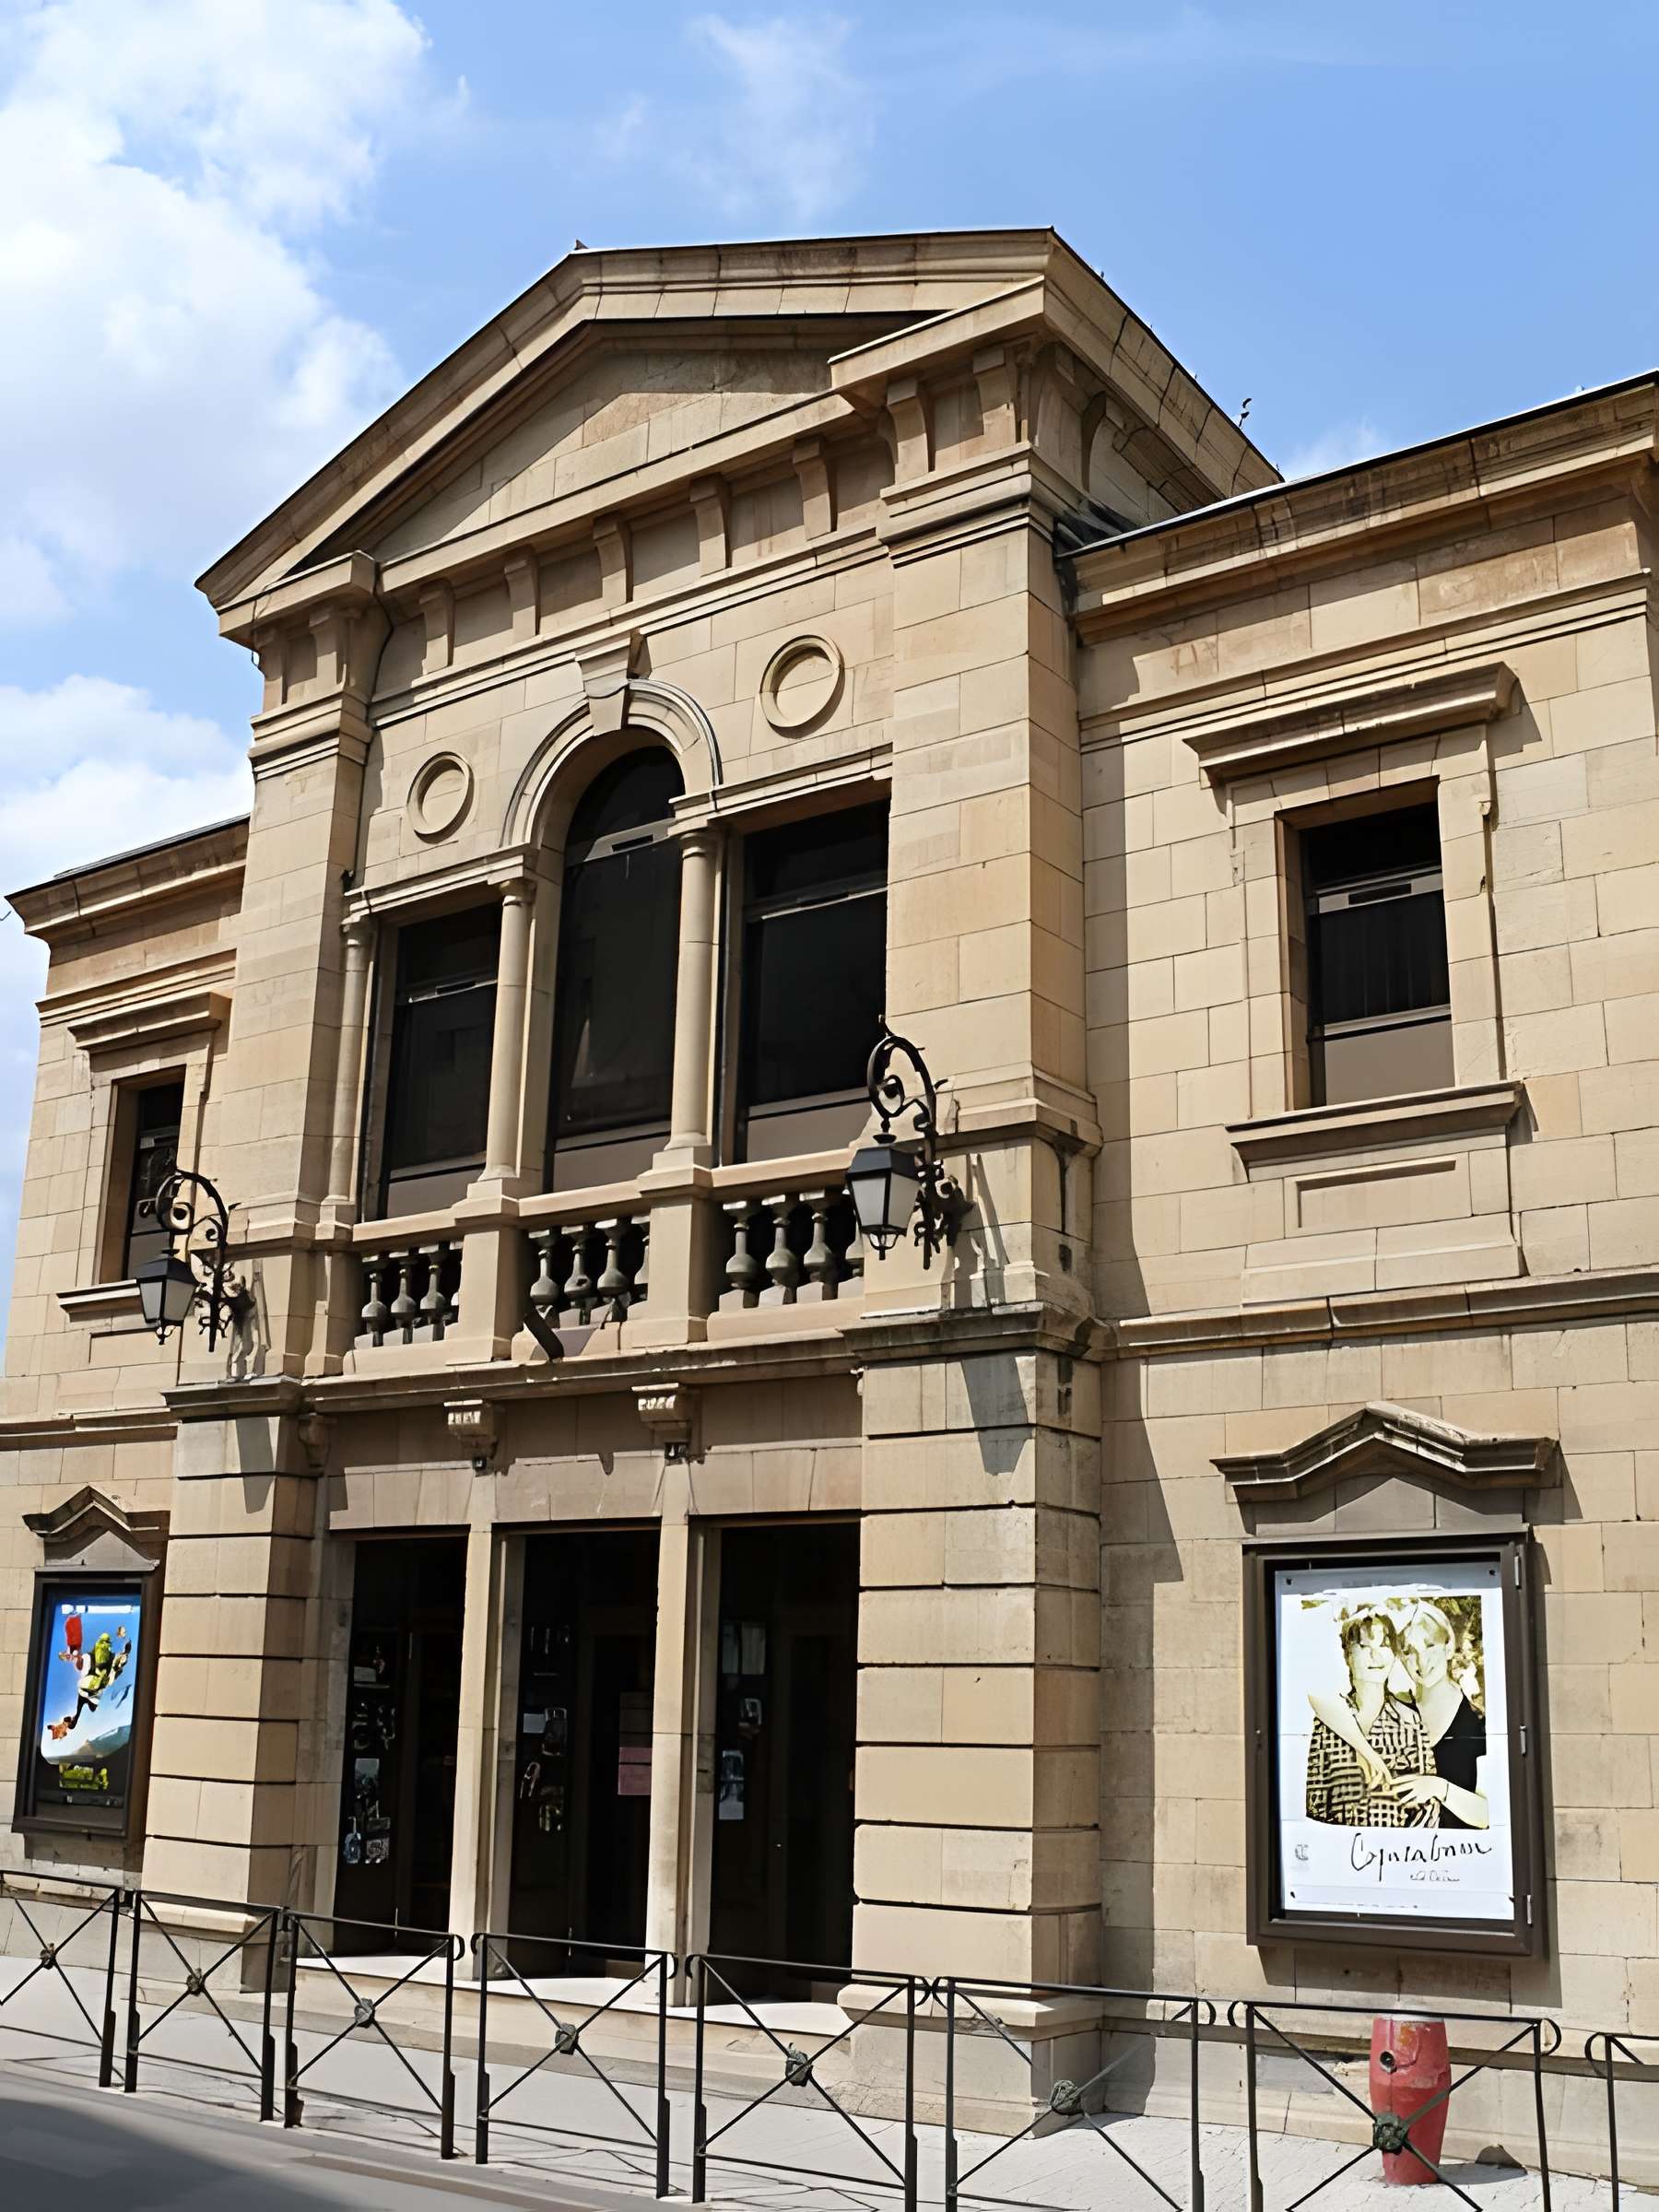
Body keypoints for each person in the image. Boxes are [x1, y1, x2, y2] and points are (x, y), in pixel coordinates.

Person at [1304, 1608, 1438, 1828]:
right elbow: (1315, 1801)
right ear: (1347, 1655)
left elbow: (1428, 1807)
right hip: (1344, 1852)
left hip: (1398, 1853)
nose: (1375, 1656)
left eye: (1384, 1646)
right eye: (1364, 1647)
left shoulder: (1410, 1721)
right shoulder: (1326, 1723)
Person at [1393, 1603, 1489, 1830]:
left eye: (1429, 1646)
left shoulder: (1478, 1723)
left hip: (1458, 1857)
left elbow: (1488, 1815)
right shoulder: (1393, 1712)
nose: (1421, 1661)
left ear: (1448, 1647)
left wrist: (1439, 1788)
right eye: (1409, 1652)